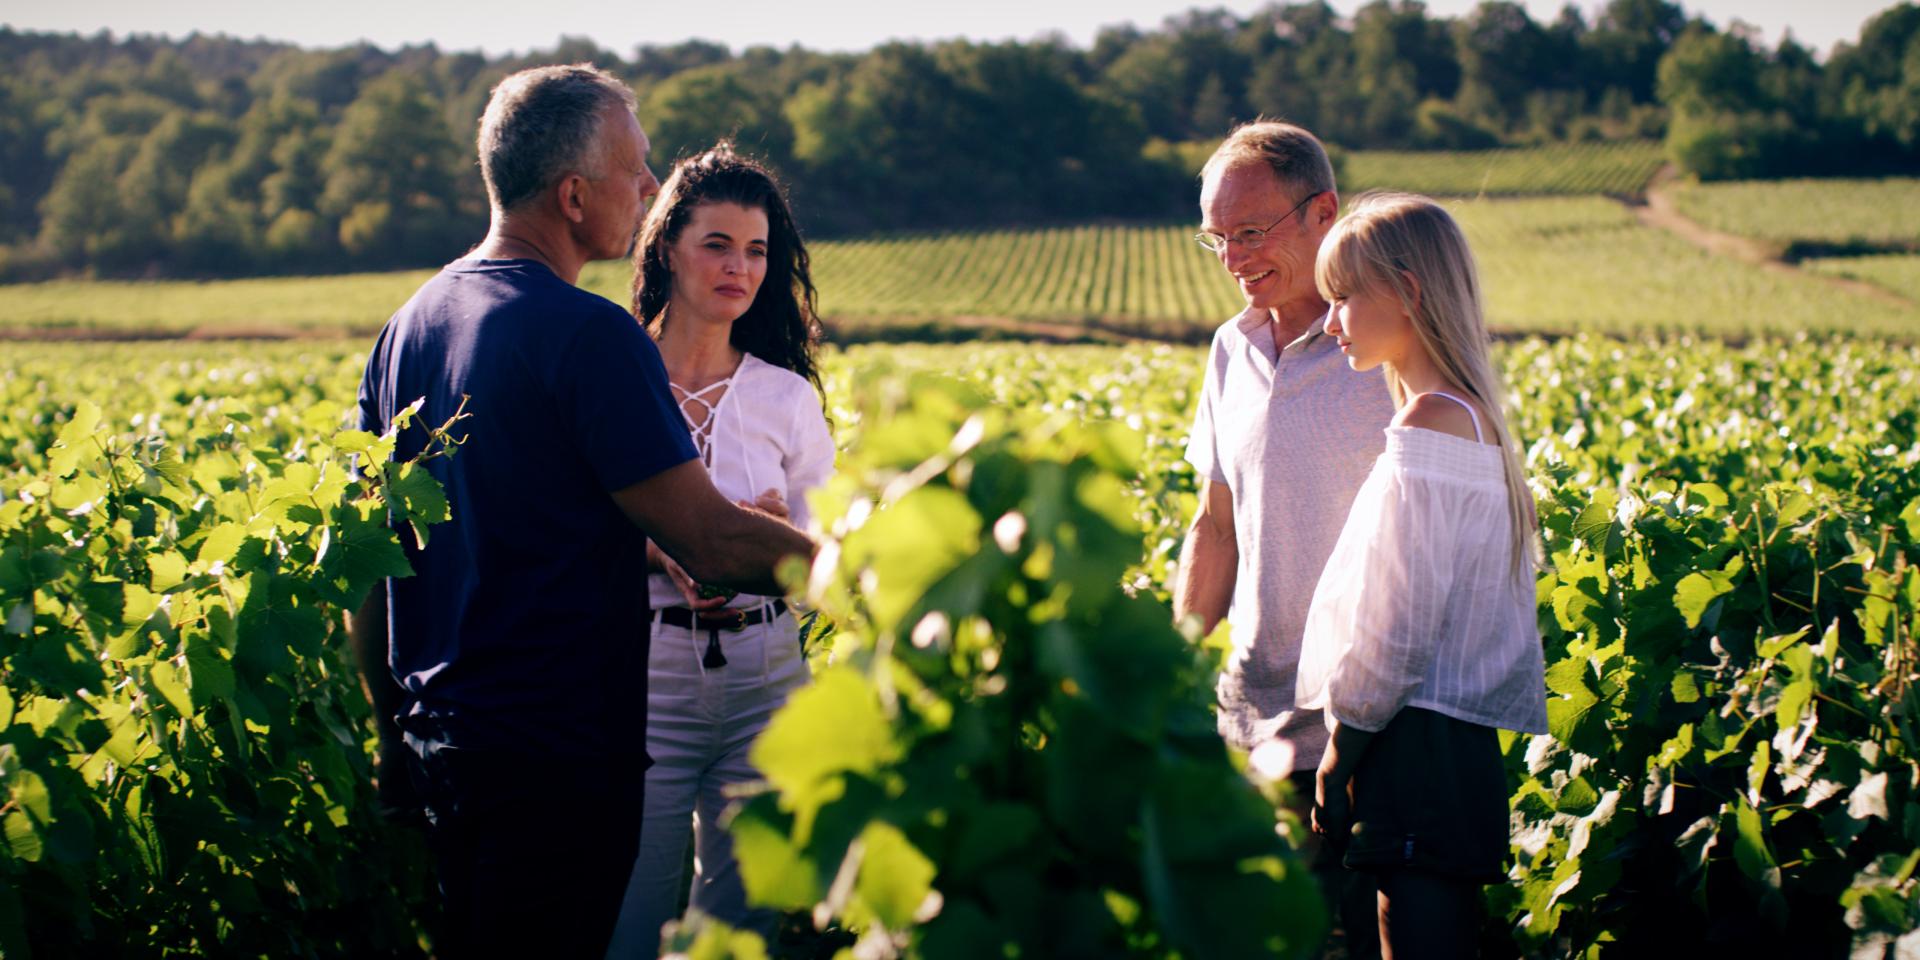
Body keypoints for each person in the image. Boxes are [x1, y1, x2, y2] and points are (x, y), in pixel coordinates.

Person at [347, 64, 813, 959]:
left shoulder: (408, 327)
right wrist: (869, 568)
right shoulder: (589, 335)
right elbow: (710, 539)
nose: (649, 187)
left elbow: (370, 559)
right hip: (557, 759)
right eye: (634, 170)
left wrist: (389, 733)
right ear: (572, 196)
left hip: (444, 744)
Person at [1296, 192, 1549, 959]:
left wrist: (1339, 755)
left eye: (1343, 297)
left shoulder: (1431, 422)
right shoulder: (1467, 418)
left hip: (1417, 737)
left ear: (1407, 291)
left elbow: (1398, 627)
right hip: (1445, 740)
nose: (1330, 322)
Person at [604, 145, 835, 957]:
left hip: (767, 675)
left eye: (757, 250)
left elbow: (825, 554)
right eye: (717, 244)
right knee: (628, 916)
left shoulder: (786, 395)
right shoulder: (613, 377)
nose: (740, 267)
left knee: (742, 928)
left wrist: (773, 540)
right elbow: (569, 528)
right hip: (641, 675)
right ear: (667, 247)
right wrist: (665, 549)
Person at [1173, 120, 1395, 952]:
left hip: (1371, 729)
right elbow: (1215, 524)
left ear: (1323, 212)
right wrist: (1173, 662)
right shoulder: (1229, 349)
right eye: (1217, 238)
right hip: (1254, 727)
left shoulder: (1389, 341)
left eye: (1251, 231)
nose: (1233, 258)